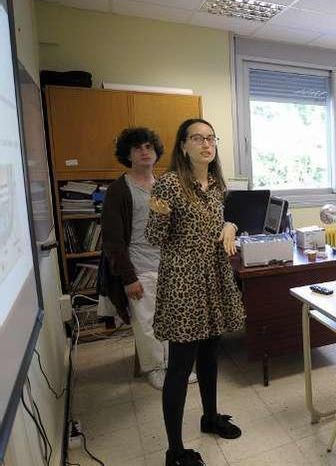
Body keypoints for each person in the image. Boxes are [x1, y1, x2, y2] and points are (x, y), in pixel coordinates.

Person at [146, 119, 245, 466]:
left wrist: (230, 224)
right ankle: (174, 451)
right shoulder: (170, 185)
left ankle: (209, 417)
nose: (206, 144)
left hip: (214, 278)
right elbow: (155, 237)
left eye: (210, 138)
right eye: (197, 138)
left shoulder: (217, 185)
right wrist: (158, 212)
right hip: (184, 285)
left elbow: (217, 224)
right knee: (179, 367)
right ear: (183, 145)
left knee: (210, 355)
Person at [101, 128, 198, 390]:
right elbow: (112, 241)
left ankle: (174, 367)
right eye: (137, 148)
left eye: (149, 147)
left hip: (170, 266)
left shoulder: (166, 185)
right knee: (147, 323)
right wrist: (128, 278)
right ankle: (156, 369)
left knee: (175, 319)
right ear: (127, 155)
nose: (145, 152)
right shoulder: (119, 190)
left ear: (156, 153)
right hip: (139, 267)